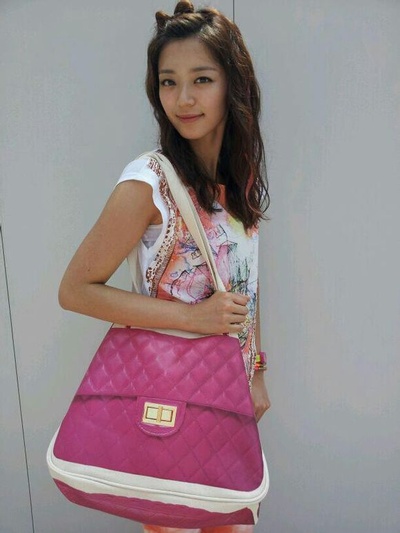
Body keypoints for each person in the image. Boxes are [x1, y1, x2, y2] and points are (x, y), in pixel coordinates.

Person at [58, 1, 271, 532]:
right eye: (168, 82)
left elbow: (244, 284)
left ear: (233, 84)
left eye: (202, 79)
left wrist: (257, 372)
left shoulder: (239, 182)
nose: (184, 99)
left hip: (225, 396)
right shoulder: (147, 183)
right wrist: (194, 319)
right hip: (165, 402)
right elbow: (75, 289)